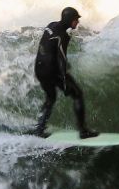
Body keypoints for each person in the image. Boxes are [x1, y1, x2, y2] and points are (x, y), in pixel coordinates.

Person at [32, 7, 99, 139]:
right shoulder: (63, 35)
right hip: (51, 71)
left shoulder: (51, 25)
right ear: (69, 20)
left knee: (51, 98)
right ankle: (83, 131)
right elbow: (61, 58)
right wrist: (63, 79)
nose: (77, 23)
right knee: (78, 94)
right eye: (76, 20)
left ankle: (39, 129)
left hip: (39, 68)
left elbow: (48, 47)